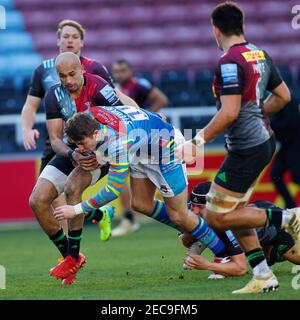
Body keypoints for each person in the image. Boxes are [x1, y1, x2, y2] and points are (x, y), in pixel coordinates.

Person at [175, 2, 299, 294]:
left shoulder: (229, 61)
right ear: (241, 25)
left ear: (215, 29)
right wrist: (260, 113)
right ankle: (262, 274)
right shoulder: (260, 54)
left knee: (216, 216)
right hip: (261, 142)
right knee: (236, 210)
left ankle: (290, 217)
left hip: (248, 148)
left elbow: (229, 113)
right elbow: (284, 96)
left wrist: (196, 142)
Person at [51, 107, 230, 280]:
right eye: (77, 144)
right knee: (140, 204)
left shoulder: (118, 143)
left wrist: (75, 210)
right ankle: (201, 234)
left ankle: (224, 254)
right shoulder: (90, 116)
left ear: (96, 134)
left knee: (180, 215)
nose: (80, 148)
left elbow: (113, 190)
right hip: (140, 150)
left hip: (166, 150)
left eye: (82, 143)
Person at [22, 19, 136, 235]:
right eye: (65, 36)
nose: (69, 40)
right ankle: (95, 218)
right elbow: (30, 104)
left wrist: (139, 114)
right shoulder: (43, 71)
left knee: (70, 190)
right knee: (48, 197)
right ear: (58, 40)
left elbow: (116, 99)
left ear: (82, 42)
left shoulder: (94, 70)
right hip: (56, 141)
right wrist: (26, 128)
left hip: (90, 142)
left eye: (74, 36)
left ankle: (71, 253)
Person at [29, 52, 125, 285]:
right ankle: (71, 258)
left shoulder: (100, 88)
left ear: (82, 69)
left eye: (72, 74)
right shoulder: (54, 94)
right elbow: (55, 138)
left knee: (72, 188)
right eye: (62, 76)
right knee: (37, 200)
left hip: (102, 152)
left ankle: (72, 259)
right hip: (72, 151)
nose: (68, 80)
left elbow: (123, 122)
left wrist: (102, 155)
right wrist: (73, 154)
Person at [183, 182, 300, 277]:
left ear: (214, 207)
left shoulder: (227, 224)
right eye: (192, 205)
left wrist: (206, 265)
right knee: (265, 260)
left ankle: (294, 215)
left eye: (200, 207)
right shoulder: (206, 216)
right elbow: (186, 241)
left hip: (276, 230)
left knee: (293, 257)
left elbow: (240, 268)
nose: (194, 211)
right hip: (259, 215)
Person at [111, 58, 169, 237]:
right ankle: (129, 218)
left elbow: (161, 99)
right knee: (121, 176)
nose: (119, 74)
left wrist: (147, 116)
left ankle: (181, 209)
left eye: (122, 70)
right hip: (127, 138)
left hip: (142, 136)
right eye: (116, 71)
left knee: (156, 175)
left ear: (130, 71)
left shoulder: (138, 85)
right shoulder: (115, 88)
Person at [270, 95, 300, 208]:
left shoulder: (288, 99)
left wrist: (271, 125)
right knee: (275, 175)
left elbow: (291, 123)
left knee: (298, 178)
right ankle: (292, 207)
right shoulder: (276, 99)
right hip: (287, 145)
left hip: (296, 146)